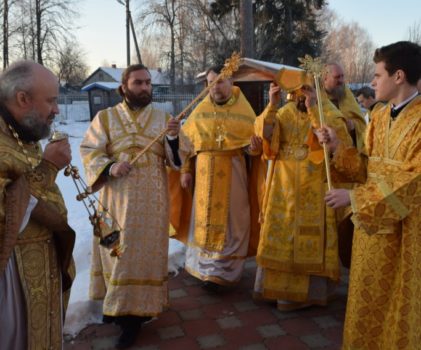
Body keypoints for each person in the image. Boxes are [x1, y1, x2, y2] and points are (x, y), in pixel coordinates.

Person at [316, 41, 421, 350]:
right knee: (365, 305)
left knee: (397, 308)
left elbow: (414, 180)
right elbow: (366, 168)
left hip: (405, 238)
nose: (372, 82)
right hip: (370, 234)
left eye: (377, 75)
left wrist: (355, 199)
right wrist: (337, 146)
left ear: (398, 76)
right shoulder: (377, 117)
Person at [80, 64, 190, 349]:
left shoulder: (164, 119)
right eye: (138, 83)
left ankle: (134, 318)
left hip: (151, 203)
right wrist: (110, 166)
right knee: (115, 252)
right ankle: (116, 307)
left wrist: (173, 138)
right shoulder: (105, 118)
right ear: (124, 87)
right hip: (114, 201)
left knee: (142, 256)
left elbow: (177, 160)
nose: (145, 88)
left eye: (148, 83)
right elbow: (89, 150)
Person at [253, 82, 352, 311]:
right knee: (282, 231)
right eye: (299, 90)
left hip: (314, 183)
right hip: (283, 183)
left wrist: (313, 111)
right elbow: (265, 137)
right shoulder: (283, 111)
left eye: (307, 89)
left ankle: (307, 293)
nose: (302, 95)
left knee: (309, 237)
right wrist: (271, 105)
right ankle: (273, 289)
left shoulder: (328, 113)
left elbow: (337, 146)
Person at [0, 61, 75, 349]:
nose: (56, 109)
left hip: (40, 263)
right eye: (51, 100)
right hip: (11, 276)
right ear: (23, 99)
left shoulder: (21, 130)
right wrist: (48, 168)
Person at [177, 65, 263, 292]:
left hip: (233, 174)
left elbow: (253, 152)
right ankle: (205, 271)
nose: (215, 87)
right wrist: (186, 170)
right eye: (211, 82)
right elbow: (187, 145)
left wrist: (254, 149)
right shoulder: (200, 112)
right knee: (203, 220)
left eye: (221, 81)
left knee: (232, 222)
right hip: (204, 177)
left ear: (232, 83)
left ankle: (226, 272)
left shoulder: (245, 112)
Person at [323, 62, 366, 149]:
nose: (341, 80)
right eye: (337, 77)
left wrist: (353, 126)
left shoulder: (346, 93)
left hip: (348, 150)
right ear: (325, 78)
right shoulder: (317, 97)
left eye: (342, 76)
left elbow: (361, 122)